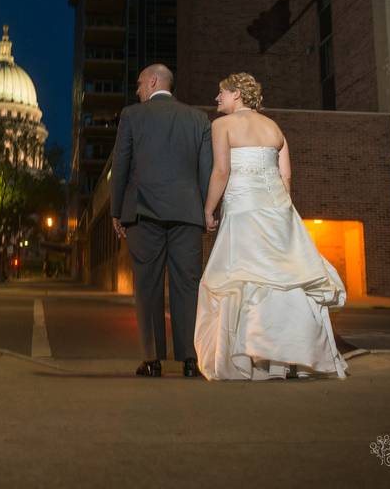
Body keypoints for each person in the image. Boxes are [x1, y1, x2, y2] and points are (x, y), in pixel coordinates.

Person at [194, 73, 348, 380]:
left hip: (243, 211)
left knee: (244, 280)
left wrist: (209, 209)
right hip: (278, 210)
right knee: (284, 281)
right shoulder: (274, 128)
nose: (217, 99)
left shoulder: (222, 126)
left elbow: (221, 171)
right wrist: (281, 212)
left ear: (236, 94)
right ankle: (290, 359)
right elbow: (286, 177)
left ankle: (249, 360)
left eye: (221, 93)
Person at [110, 64, 213, 378]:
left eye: (140, 83)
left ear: (153, 81)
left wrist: (117, 211)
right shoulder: (198, 119)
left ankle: (152, 360)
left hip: (145, 213)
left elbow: (121, 164)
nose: (138, 90)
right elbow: (206, 170)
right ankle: (191, 360)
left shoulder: (132, 116)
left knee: (148, 285)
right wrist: (206, 209)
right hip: (187, 213)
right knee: (188, 285)